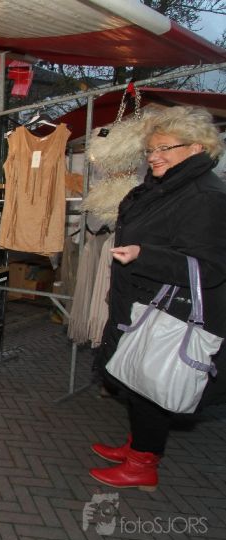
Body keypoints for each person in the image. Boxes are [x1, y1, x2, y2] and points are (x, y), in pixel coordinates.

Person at [89, 106, 226, 491]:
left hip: (169, 311)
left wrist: (144, 255)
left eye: (165, 148)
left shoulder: (204, 196)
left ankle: (143, 464)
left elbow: (210, 267)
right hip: (145, 300)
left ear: (197, 147)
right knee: (137, 380)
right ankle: (139, 445)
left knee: (151, 383)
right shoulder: (168, 187)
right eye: (150, 149)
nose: (153, 156)